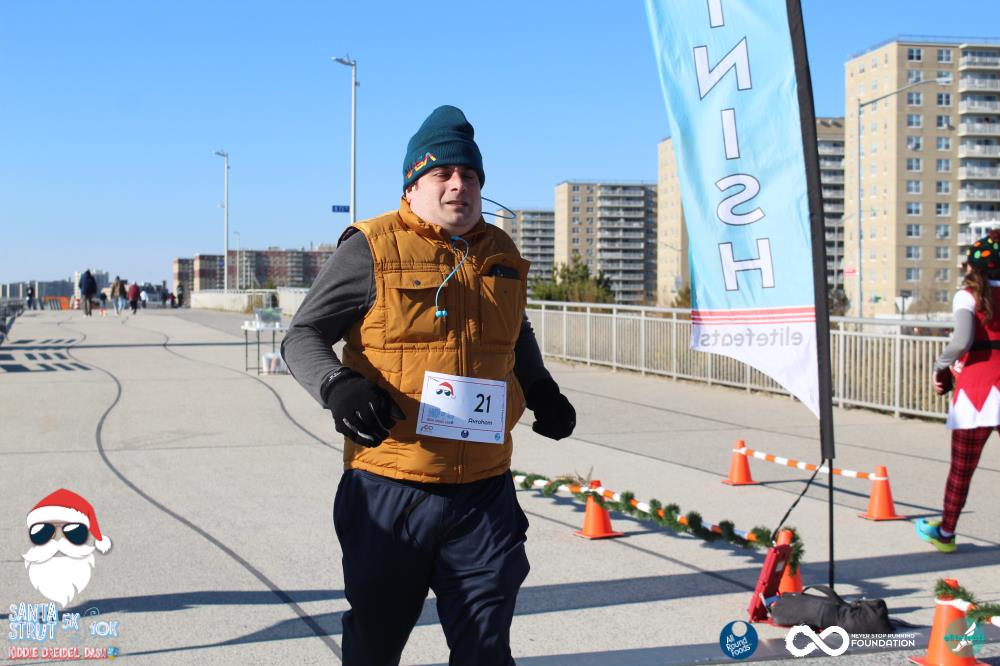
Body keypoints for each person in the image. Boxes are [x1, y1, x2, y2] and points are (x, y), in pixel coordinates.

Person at [282, 105, 576, 665]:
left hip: (485, 493)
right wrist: (337, 385)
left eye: (470, 175)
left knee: (486, 648)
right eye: (442, 173)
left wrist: (541, 387)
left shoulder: (502, 251)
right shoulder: (370, 247)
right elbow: (302, 335)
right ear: (412, 186)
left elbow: (516, 330)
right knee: (376, 642)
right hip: (391, 488)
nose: (458, 185)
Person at [921, 229, 1000, 553]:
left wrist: (940, 366)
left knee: (961, 471)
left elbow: (962, 340)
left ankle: (947, 533)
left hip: (976, 394)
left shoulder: (967, 296)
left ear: (971, 266)